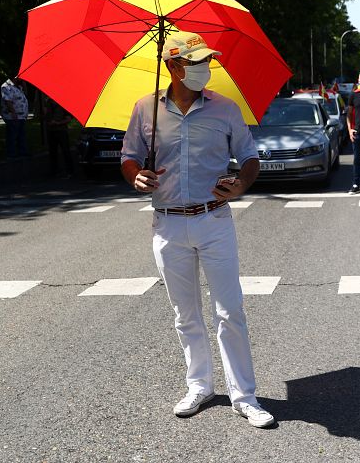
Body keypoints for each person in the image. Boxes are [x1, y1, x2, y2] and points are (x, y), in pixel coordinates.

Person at [120, 31, 274, 428]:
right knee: (184, 313)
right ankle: (199, 385)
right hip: (167, 224)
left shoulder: (225, 109)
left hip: (213, 220)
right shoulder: (145, 109)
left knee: (230, 310)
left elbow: (250, 157)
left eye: (207, 61)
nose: (205, 69)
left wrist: (239, 183)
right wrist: (137, 176)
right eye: (196, 63)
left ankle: (244, 395)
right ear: (172, 66)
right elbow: (129, 158)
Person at [44, 98, 74, 178]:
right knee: (52, 152)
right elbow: (45, 116)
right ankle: (53, 171)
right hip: (51, 131)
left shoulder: (63, 104)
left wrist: (58, 123)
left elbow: (68, 119)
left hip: (61, 131)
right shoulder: (48, 102)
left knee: (65, 150)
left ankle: (70, 171)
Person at [1, 77, 30, 158]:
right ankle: (11, 154)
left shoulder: (19, 87)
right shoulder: (6, 86)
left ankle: (23, 152)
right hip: (13, 117)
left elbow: (26, 95)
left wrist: (24, 85)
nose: (23, 79)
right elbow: (7, 100)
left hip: (21, 116)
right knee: (12, 136)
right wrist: (13, 113)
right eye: (21, 78)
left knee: (21, 135)